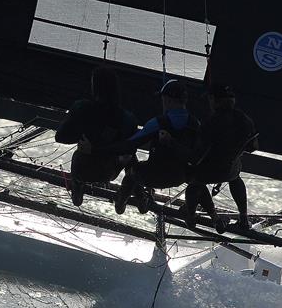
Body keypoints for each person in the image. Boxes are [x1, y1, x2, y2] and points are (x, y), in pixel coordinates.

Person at [92, 79, 202, 215]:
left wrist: (97, 149)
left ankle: (122, 200)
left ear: (167, 100)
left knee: (133, 171)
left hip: (153, 176)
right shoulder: (195, 123)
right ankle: (146, 200)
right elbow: (196, 156)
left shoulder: (159, 122)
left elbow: (129, 144)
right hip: (179, 177)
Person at [55, 67, 137, 206]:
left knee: (80, 156)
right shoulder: (127, 118)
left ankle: (78, 184)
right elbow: (128, 149)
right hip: (107, 172)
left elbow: (60, 137)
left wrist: (81, 136)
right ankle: (128, 193)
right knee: (131, 157)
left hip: (81, 167)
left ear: (94, 87)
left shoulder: (81, 107)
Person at [180, 84, 258, 231]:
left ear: (216, 101)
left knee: (194, 182)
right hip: (231, 170)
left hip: (209, 171)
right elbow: (253, 146)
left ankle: (191, 216)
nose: (209, 102)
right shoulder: (244, 119)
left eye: (210, 99)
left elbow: (197, 155)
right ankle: (243, 218)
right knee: (236, 178)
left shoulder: (211, 122)